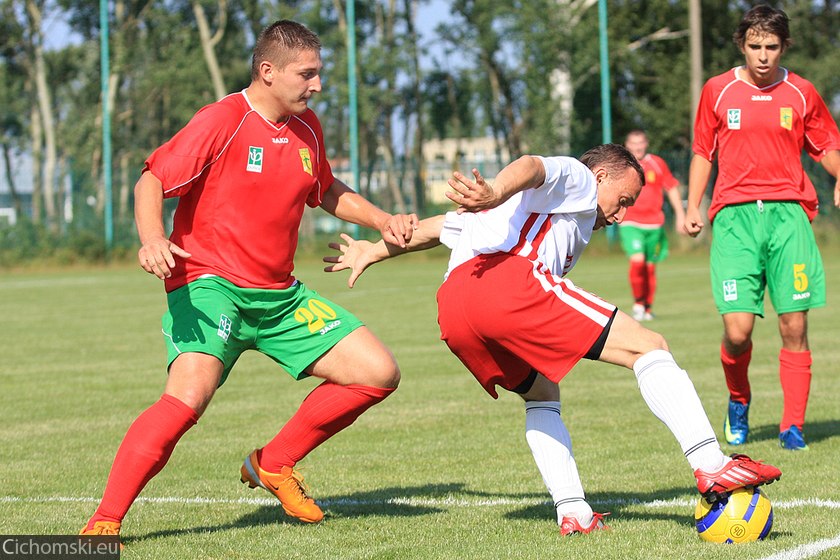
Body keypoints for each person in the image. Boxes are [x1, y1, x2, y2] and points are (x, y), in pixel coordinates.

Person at [325, 145, 782, 536]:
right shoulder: (579, 178)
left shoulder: (524, 212)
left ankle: (574, 513)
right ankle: (710, 464)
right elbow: (531, 165)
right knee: (650, 346)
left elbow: (430, 229)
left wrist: (373, 250)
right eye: (622, 200)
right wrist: (495, 190)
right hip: (506, 284)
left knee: (543, 391)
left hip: (454, 311)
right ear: (601, 175)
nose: (622, 216)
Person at [80, 20, 418, 540]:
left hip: (280, 296)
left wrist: (381, 220)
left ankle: (274, 463)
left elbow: (324, 188)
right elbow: (152, 178)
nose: (317, 85)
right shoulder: (223, 119)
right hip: (210, 284)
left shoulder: (307, 128)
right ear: (268, 71)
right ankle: (104, 524)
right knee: (188, 398)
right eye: (307, 74)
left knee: (377, 371)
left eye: (318, 73)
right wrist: (151, 239)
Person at [685, 5, 840, 451]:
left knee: (794, 326)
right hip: (734, 218)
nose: (763, 56)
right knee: (737, 332)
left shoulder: (802, 92)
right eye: (755, 46)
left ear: (784, 46)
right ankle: (738, 399)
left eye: (772, 46)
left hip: (789, 216)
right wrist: (691, 204)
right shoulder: (717, 90)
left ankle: (793, 426)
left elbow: (825, 143)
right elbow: (702, 150)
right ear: (741, 45)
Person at [619, 130, 686, 321]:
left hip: (654, 224)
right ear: (627, 145)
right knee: (637, 262)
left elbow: (671, 187)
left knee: (650, 268)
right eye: (633, 143)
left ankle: (647, 307)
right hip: (630, 222)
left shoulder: (657, 163)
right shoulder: (622, 165)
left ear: (646, 144)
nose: (637, 147)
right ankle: (638, 303)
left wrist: (680, 215)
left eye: (640, 143)